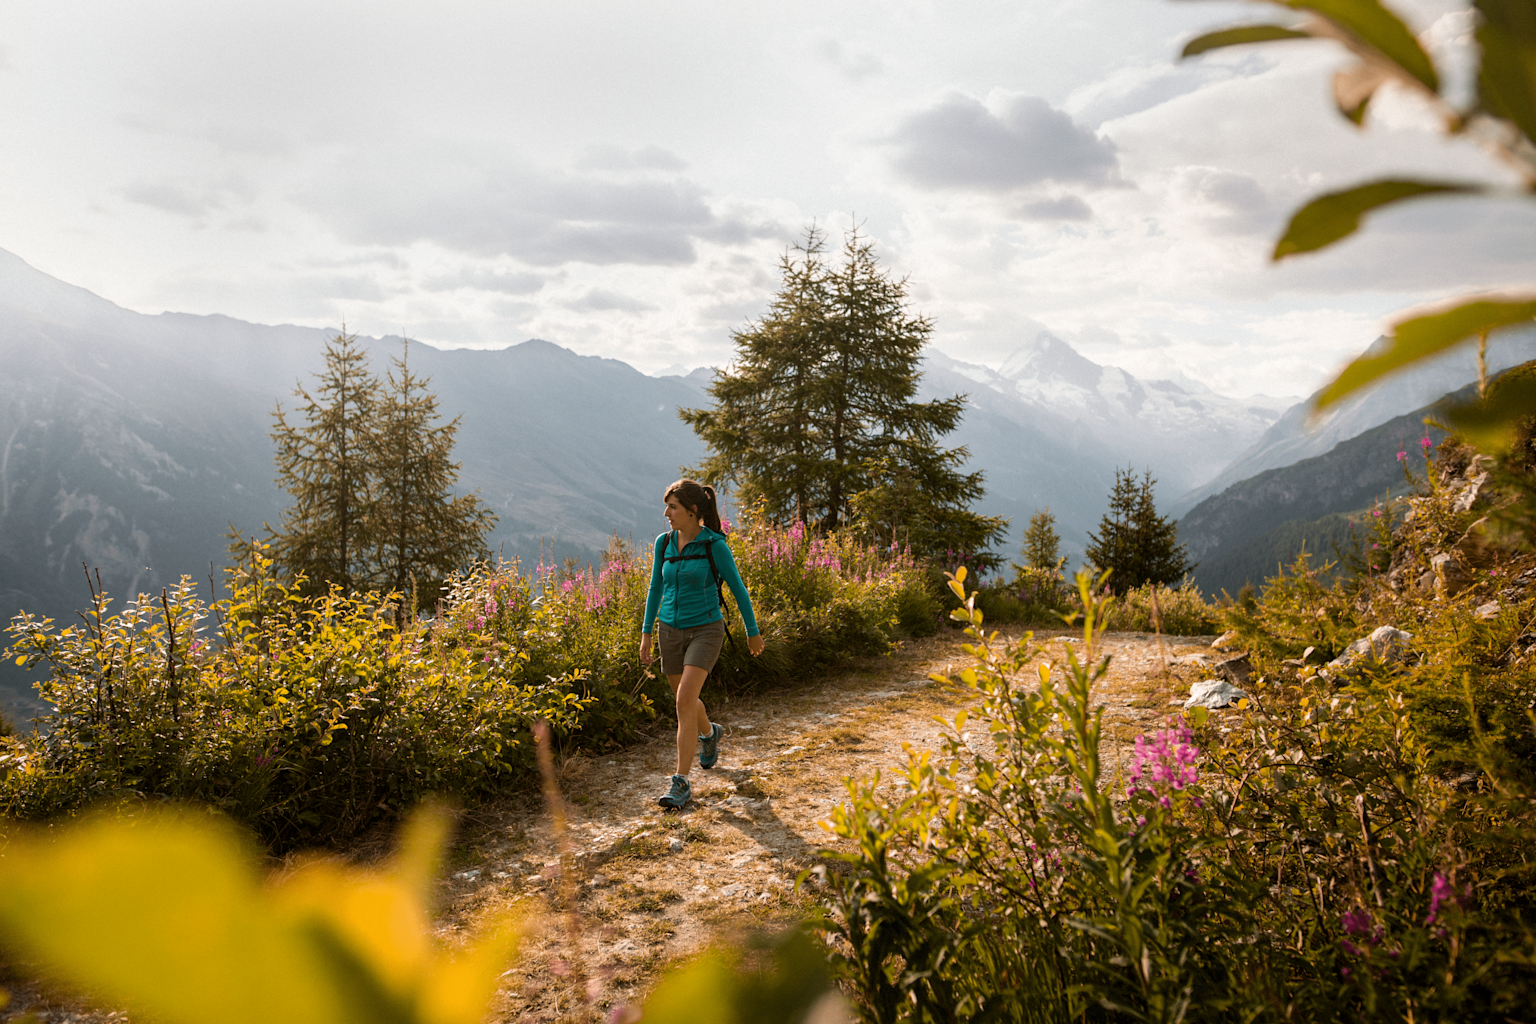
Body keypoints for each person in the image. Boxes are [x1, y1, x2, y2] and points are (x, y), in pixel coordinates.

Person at [639, 478, 765, 809]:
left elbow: (738, 589)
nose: (667, 513)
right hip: (669, 631)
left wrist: (753, 631)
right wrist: (646, 633)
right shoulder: (663, 543)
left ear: (693, 511)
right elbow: (655, 589)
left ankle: (680, 782)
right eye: (667, 506)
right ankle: (709, 735)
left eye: (673, 507)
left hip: (705, 630)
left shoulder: (714, 545)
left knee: (683, 701)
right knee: (687, 699)